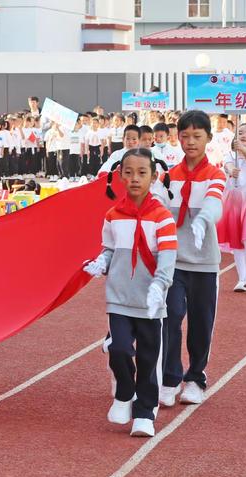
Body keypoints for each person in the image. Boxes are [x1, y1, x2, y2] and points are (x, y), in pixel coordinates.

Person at [84, 148, 176, 437]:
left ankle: (145, 412)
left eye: (142, 173)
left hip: (150, 300)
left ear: (154, 177)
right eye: (129, 172)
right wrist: (101, 263)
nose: (135, 178)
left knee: (148, 358)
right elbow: (110, 249)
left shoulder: (162, 217)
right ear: (120, 175)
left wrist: (160, 286)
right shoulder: (113, 215)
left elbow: (168, 257)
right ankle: (124, 391)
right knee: (120, 347)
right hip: (120, 297)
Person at [156, 110, 226, 407]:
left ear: (208, 139)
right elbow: (155, 204)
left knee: (201, 321)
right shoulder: (168, 176)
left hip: (205, 262)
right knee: (170, 317)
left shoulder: (216, 174)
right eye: (185, 136)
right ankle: (170, 378)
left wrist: (203, 220)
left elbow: (215, 201)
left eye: (197, 136)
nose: (190, 142)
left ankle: (195, 376)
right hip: (174, 261)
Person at [218, 123, 246, 292]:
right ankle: (242, 278)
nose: (244, 135)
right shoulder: (230, 155)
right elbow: (227, 165)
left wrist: (243, 149)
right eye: (241, 132)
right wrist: (232, 170)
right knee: (237, 240)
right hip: (235, 201)